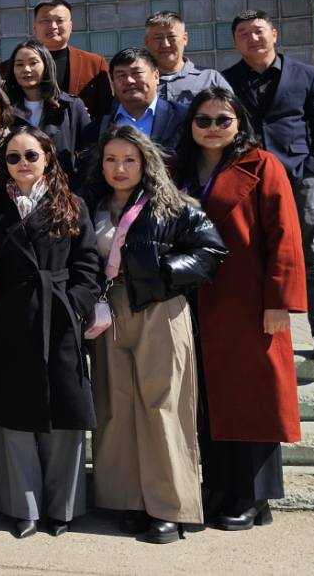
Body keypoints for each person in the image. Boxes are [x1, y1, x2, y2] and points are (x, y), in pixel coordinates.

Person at [85, 125, 227, 543]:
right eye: (111, 159)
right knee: (116, 406)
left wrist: (163, 273)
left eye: (129, 159)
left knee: (162, 405)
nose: (120, 168)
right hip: (110, 311)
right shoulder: (93, 205)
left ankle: (168, 508)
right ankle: (127, 500)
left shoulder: (172, 205)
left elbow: (212, 250)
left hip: (159, 308)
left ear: (145, 162)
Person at [174, 88, 306, 529]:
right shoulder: (180, 169)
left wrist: (280, 301)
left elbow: (285, 234)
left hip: (248, 300)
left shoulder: (262, 165)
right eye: (203, 120)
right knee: (210, 401)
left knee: (253, 399)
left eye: (222, 120)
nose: (212, 128)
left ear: (239, 123)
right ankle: (218, 487)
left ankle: (254, 497)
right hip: (195, 300)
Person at [0, 126, 102, 538]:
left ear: (47, 157)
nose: (22, 164)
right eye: (12, 157)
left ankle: (62, 508)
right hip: (11, 319)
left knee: (65, 413)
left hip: (60, 316)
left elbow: (88, 262)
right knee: (14, 417)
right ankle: (24, 508)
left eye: (30, 155)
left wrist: (77, 304)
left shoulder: (71, 204)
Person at [222, 9, 314, 361]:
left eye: (258, 30)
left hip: (296, 178)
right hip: (249, 180)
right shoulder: (225, 81)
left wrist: (312, 172)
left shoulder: (307, 75)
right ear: (235, 42)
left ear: (274, 34)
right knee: (252, 256)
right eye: (243, 33)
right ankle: (259, 331)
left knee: (312, 255)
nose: (252, 38)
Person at [78, 49, 188, 168]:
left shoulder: (183, 118)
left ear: (156, 76)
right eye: (121, 75)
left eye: (137, 73)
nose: (129, 81)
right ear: (113, 83)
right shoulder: (96, 130)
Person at [4, 41, 90, 177]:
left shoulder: (71, 106)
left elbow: (89, 151)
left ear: (46, 65)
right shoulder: (6, 109)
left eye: (33, 63)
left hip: (64, 186)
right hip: (18, 187)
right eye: (19, 64)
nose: (26, 69)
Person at [145, 11, 232, 105]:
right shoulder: (139, 82)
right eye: (158, 38)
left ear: (185, 39)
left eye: (171, 37)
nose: (165, 45)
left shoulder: (210, 79)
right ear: (147, 42)